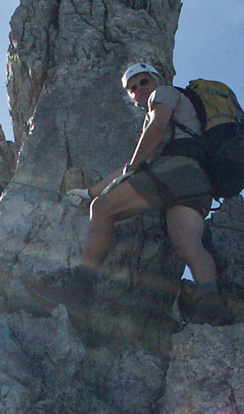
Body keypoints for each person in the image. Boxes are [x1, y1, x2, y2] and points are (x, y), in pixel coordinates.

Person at [57, 62, 234, 325]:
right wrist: (88, 191)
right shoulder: (185, 114)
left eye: (143, 81)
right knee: (190, 246)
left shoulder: (163, 94)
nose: (140, 89)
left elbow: (155, 131)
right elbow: (130, 168)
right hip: (197, 182)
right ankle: (211, 303)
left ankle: (81, 286)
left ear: (156, 80)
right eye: (132, 87)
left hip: (173, 172)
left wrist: (133, 168)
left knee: (103, 209)